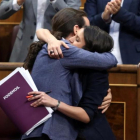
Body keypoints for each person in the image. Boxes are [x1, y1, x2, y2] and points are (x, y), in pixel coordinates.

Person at [22, 8, 117, 140]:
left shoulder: (50, 46)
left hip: (38, 128)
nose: (91, 31)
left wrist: (103, 91)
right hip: (51, 131)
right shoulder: (64, 49)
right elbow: (111, 60)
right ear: (76, 29)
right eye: (88, 28)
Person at [0, 0, 80, 62]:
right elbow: (1, 12)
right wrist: (18, 1)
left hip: (55, 48)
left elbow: (74, 17)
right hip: (24, 47)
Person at [84, 0, 140, 64]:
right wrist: (103, 17)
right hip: (98, 55)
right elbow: (86, 26)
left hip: (133, 56)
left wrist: (120, 14)